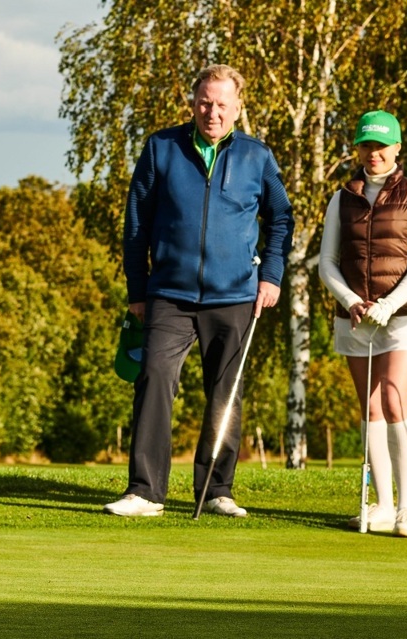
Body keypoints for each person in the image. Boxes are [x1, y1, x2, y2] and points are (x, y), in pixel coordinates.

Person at [103, 64, 295, 518]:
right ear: (193, 103)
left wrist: (271, 275)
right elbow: (136, 223)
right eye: (205, 103)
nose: (213, 112)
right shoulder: (161, 148)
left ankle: (215, 491)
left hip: (235, 296)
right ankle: (145, 492)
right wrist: (137, 290)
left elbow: (281, 218)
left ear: (238, 108)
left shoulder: (257, 157)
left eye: (222, 104)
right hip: (168, 293)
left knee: (226, 392)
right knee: (153, 379)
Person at [318, 110, 407, 539]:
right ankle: (383, 506)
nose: (374, 153)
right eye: (367, 145)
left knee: (392, 398)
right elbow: (327, 263)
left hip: (401, 314)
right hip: (355, 316)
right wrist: (351, 301)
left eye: (382, 146)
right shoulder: (341, 198)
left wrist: (388, 304)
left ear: (397, 147)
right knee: (369, 407)